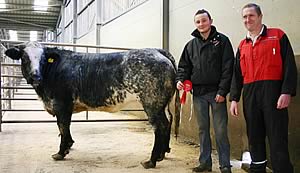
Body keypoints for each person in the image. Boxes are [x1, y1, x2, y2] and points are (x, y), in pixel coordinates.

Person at [230, 3, 297, 173]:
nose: (247, 20)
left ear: (260, 16)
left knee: (277, 137)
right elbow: (237, 75)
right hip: (250, 95)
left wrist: (286, 91)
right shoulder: (242, 45)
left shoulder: (278, 36)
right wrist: (234, 99)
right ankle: (258, 169)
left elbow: (289, 66)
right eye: (244, 17)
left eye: (251, 16)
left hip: (273, 94)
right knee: (254, 136)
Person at [176, 9, 234, 173]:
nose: (201, 24)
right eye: (198, 22)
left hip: (217, 94)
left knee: (221, 131)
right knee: (203, 130)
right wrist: (180, 80)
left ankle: (225, 165)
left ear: (210, 21)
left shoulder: (222, 41)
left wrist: (222, 91)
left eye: (204, 20)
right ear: (196, 24)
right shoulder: (190, 45)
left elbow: (228, 68)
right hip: (199, 94)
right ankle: (205, 163)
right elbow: (184, 67)